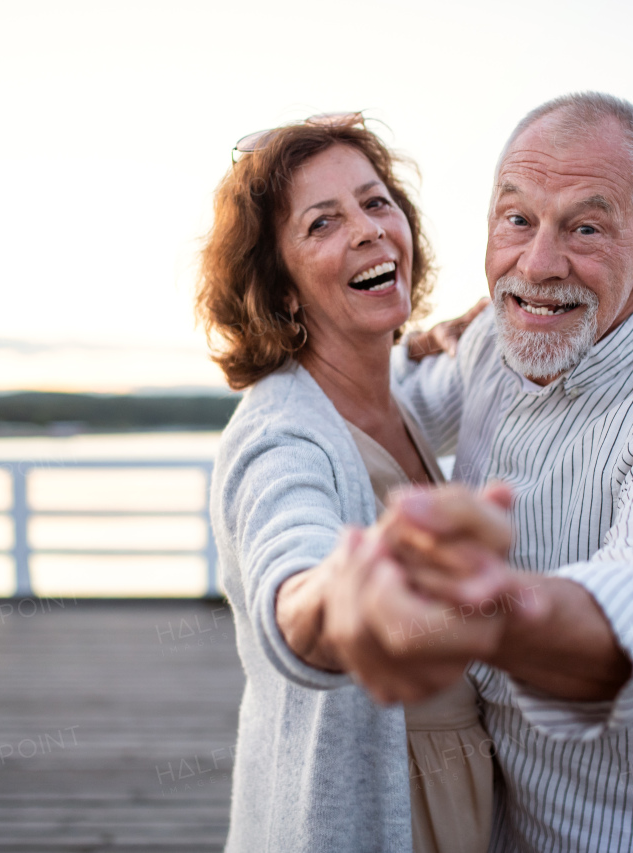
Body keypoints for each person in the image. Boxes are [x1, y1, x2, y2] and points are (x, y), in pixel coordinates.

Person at [289, 92, 633, 852]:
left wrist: (480, 608)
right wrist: (385, 340)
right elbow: (394, 409)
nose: (540, 264)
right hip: (487, 820)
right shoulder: (493, 333)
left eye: (585, 227)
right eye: (518, 220)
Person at [197, 114, 503, 853]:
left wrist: (515, 291)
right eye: (322, 222)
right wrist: (336, 596)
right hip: (374, 810)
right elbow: (290, 567)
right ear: (284, 289)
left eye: (375, 202)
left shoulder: (394, 396)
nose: (367, 230)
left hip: (458, 791)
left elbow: (466, 366)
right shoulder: (280, 434)